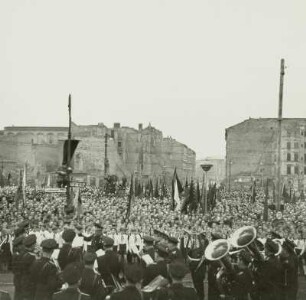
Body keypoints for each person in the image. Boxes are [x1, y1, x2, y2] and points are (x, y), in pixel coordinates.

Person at [20, 234, 37, 300]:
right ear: (32, 245)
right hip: (30, 282)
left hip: (24, 279)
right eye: (35, 244)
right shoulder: (31, 256)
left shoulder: (23, 253)